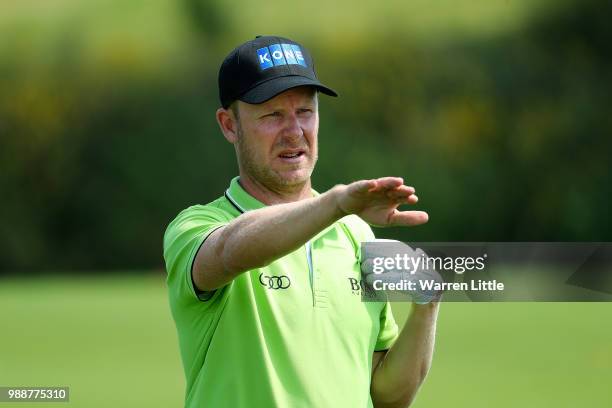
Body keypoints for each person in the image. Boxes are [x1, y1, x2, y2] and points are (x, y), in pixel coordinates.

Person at [163, 35, 440, 408]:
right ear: (229, 125)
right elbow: (231, 251)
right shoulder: (197, 226)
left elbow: (386, 396)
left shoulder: (355, 234)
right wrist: (336, 204)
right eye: (272, 115)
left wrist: (426, 305)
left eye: (305, 112)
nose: (294, 131)